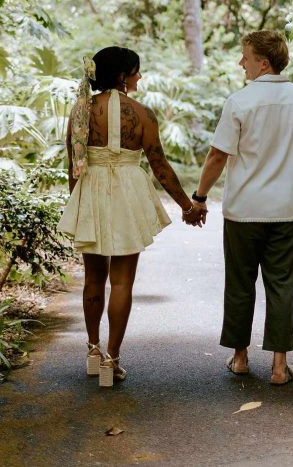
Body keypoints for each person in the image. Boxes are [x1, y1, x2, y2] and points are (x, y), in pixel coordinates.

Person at [58, 46, 205, 387]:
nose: (140, 77)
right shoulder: (142, 114)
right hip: (126, 193)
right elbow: (159, 165)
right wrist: (188, 205)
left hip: (91, 190)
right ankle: (112, 360)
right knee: (122, 281)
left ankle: (93, 351)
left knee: (93, 278)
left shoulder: (81, 110)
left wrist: (77, 203)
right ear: (123, 76)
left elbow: (74, 163)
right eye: (137, 71)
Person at [191, 30, 293, 385]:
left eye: (245, 57)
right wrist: (292, 192)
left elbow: (218, 155)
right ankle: (280, 367)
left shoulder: (240, 102)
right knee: (280, 284)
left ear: (263, 62)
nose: (240, 63)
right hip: (284, 210)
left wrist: (200, 197)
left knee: (240, 282)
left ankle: (241, 358)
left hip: (244, 211)